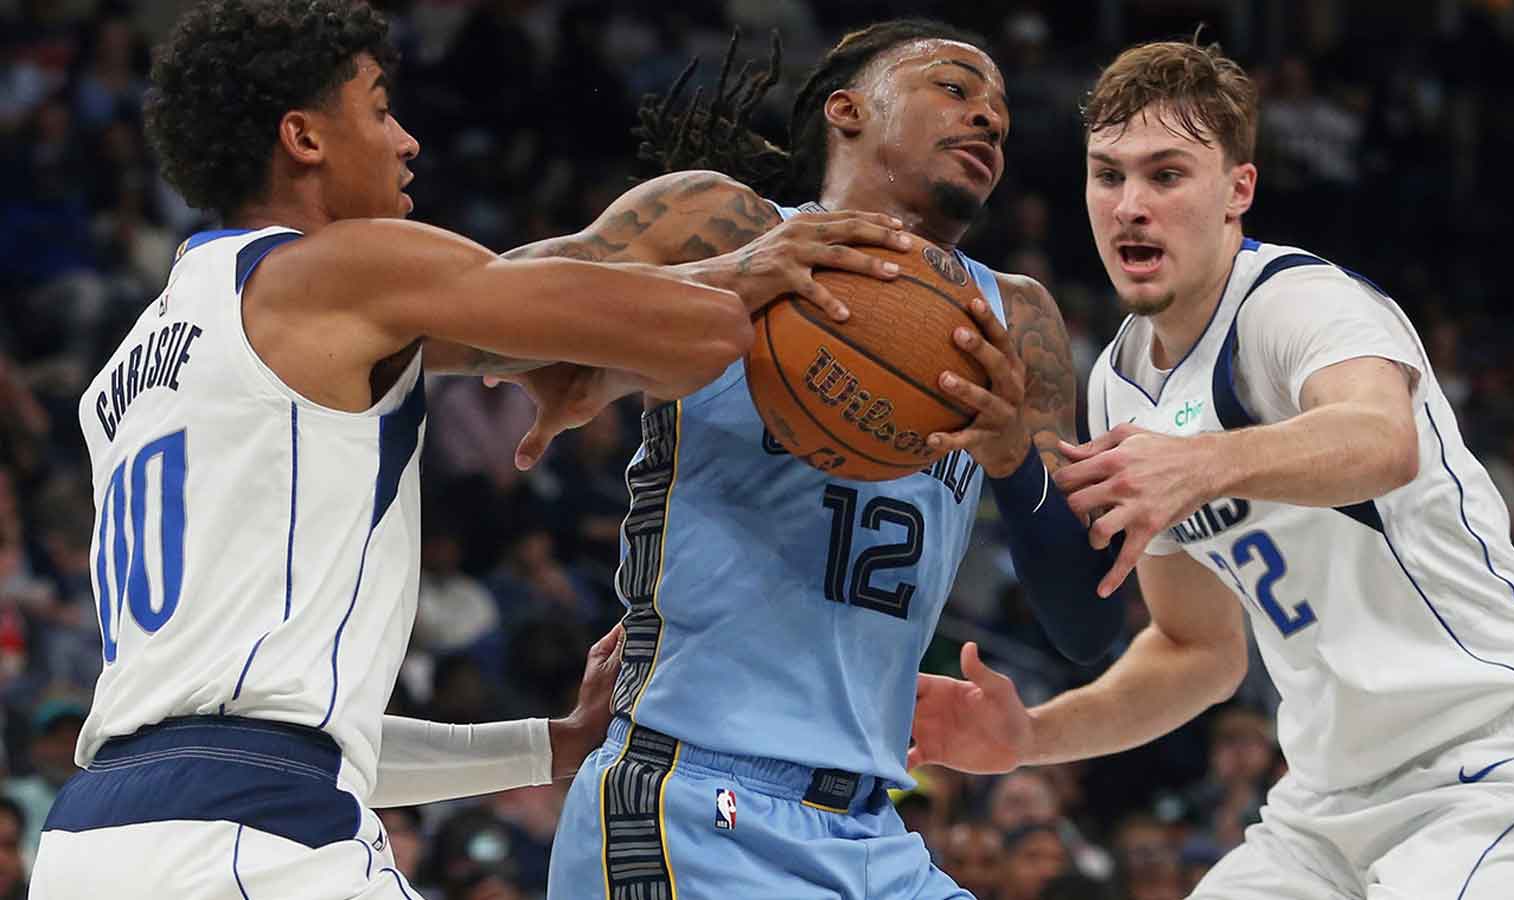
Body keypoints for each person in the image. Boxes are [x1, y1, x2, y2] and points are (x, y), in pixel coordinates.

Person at [32, 2, 898, 897]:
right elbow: (705, 330)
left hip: (94, 840)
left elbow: (309, 739)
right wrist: (753, 265)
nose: (406, 140)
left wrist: (550, 746)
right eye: (376, 109)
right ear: (303, 137)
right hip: (249, 843)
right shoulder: (342, 265)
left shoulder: (136, 366)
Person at [908, 38, 1514, 899]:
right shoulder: (1118, 385)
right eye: (1108, 174)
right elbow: (1195, 649)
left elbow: (1384, 440)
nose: (1129, 206)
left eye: (1166, 175)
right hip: (1322, 810)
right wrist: (1031, 738)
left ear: (1238, 189)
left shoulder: (1295, 301)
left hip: (1495, 768)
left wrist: (1204, 464)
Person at [494, 22, 1125, 899]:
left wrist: (1015, 463)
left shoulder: (1016, 319)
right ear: (847, 109)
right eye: (953, 88)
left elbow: (1088, 628)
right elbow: (478, 305)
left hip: (875, 830)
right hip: (695, 804)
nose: (987, 117)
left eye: (1003, 117)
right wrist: (715, 286)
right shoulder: (723, 226)